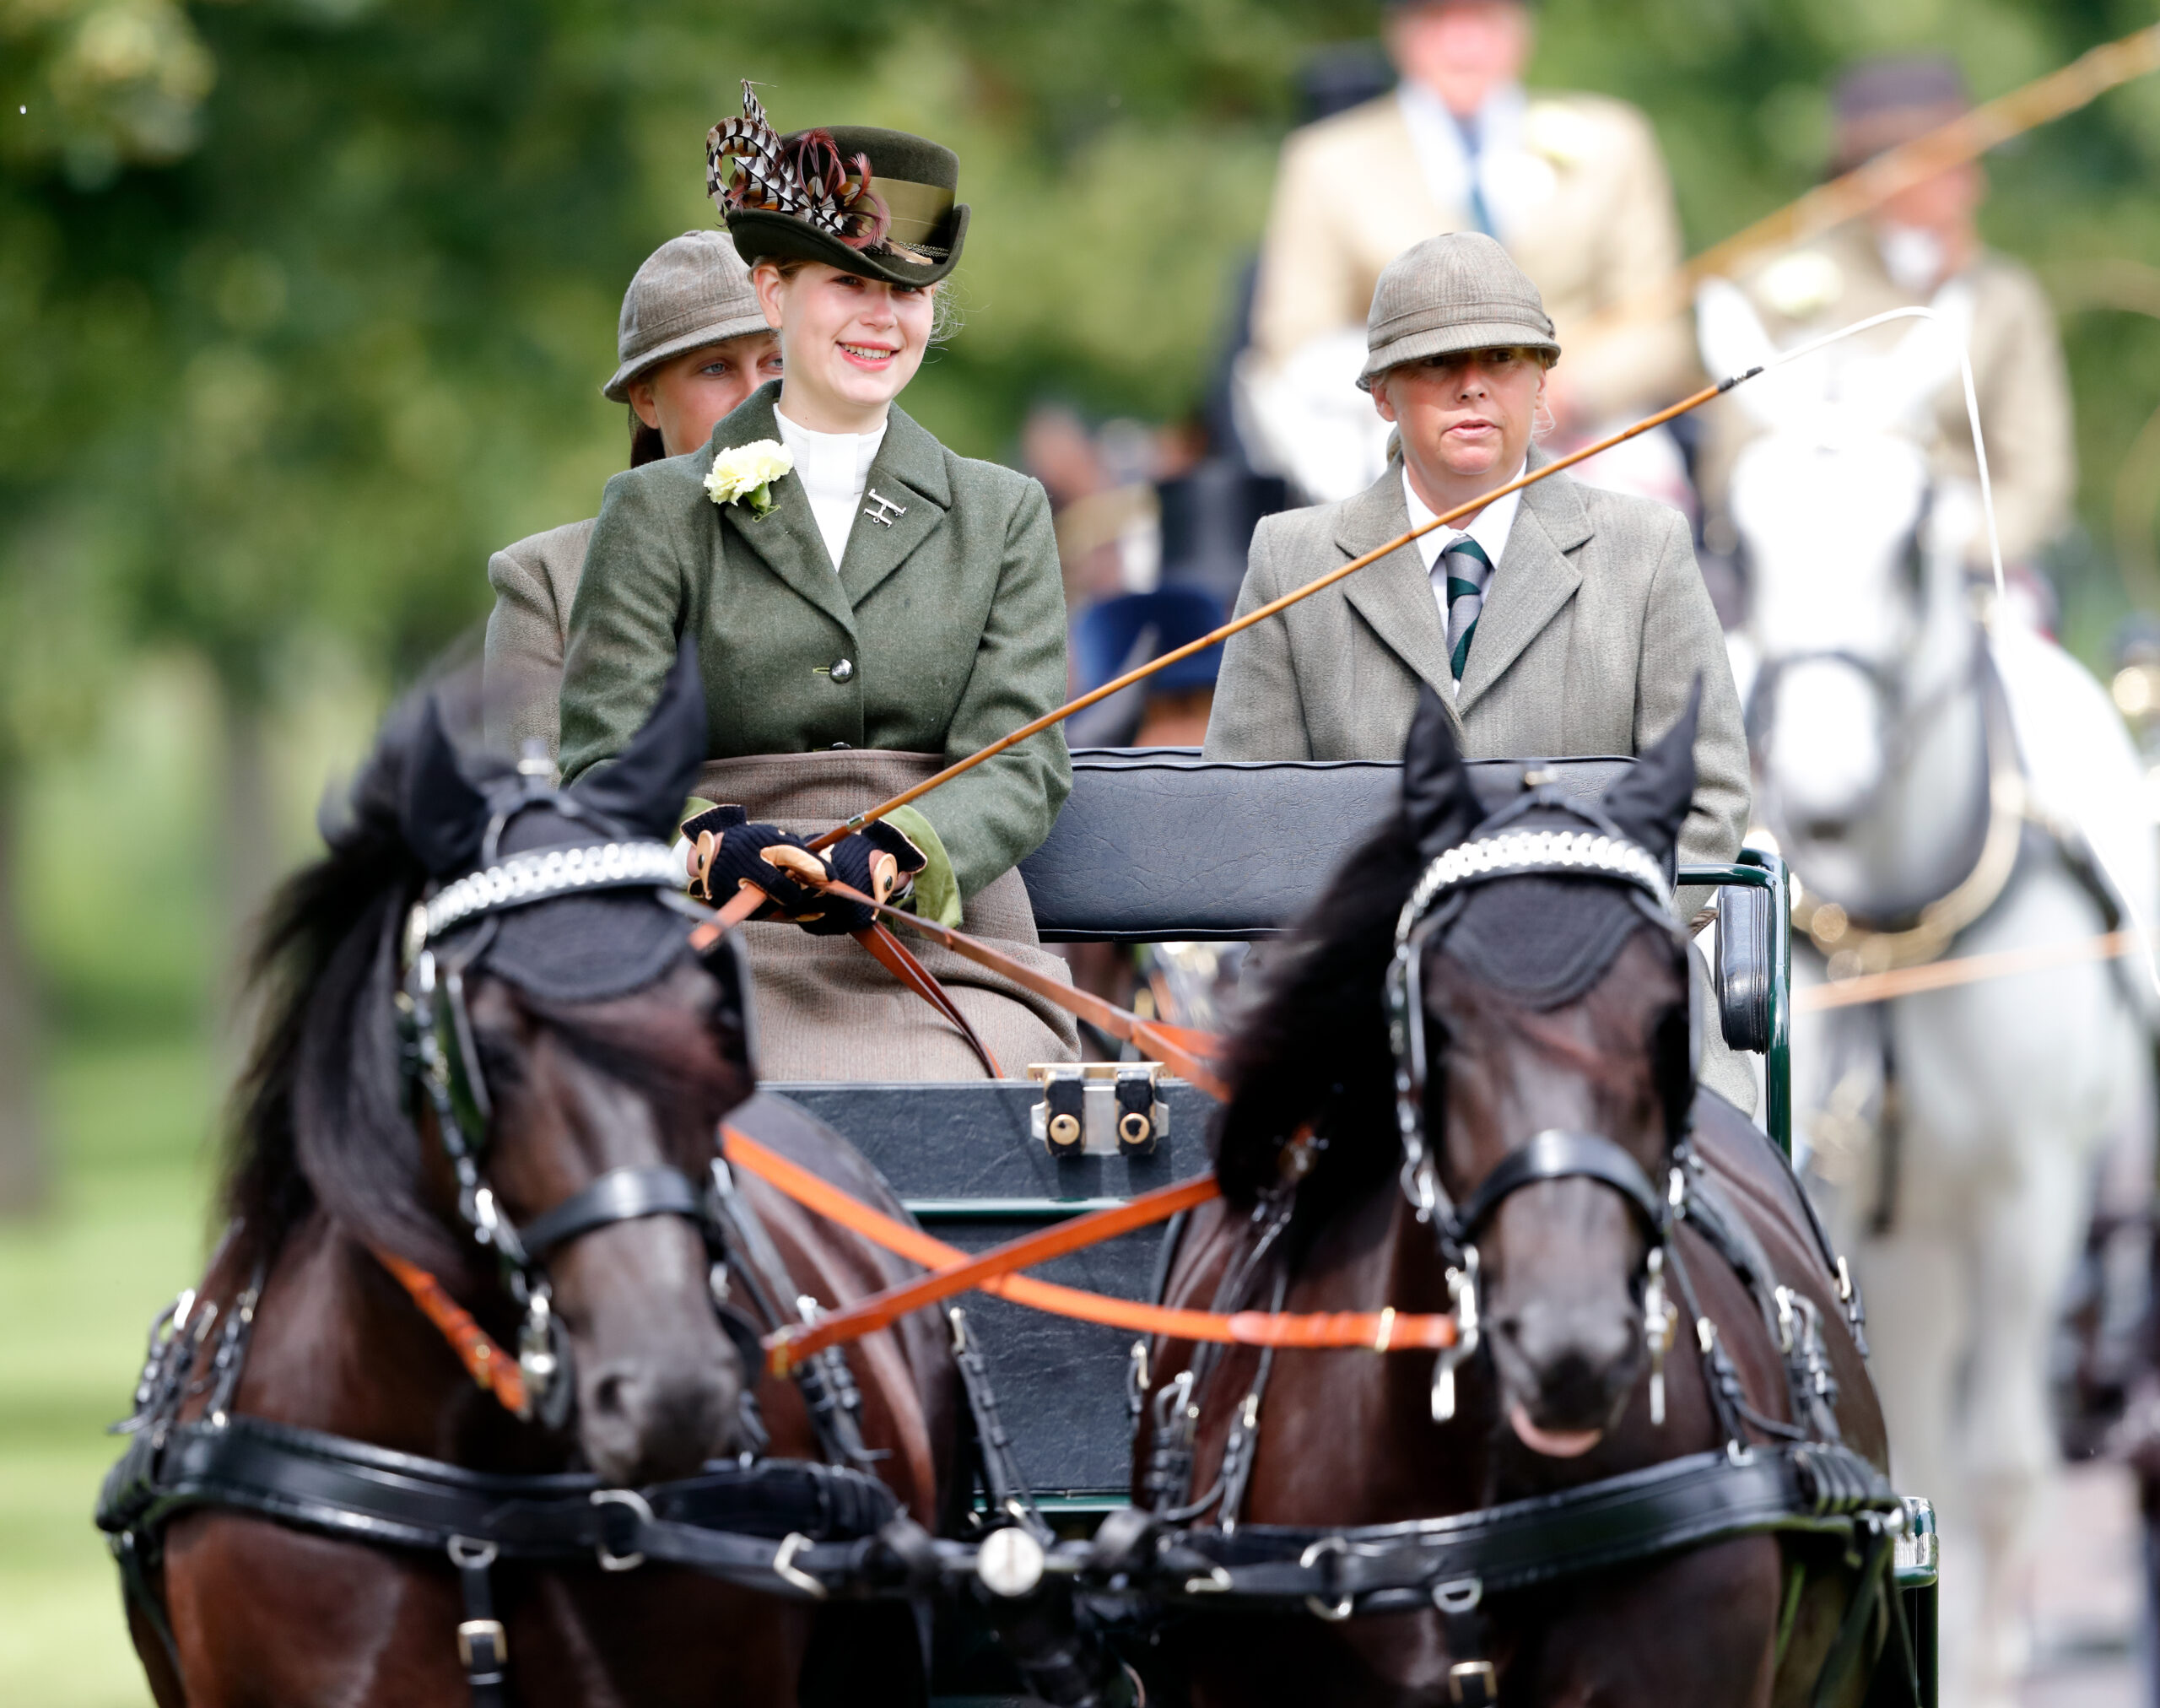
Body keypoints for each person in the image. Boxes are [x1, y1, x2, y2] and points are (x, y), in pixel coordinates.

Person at [557, 88, 1075, 1079]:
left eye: (908, 292)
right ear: (772, 293)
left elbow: (1021, 762)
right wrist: (713, 849)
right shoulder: (655, 511)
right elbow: (602, 762)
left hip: (941, 943)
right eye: (847, 282)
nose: (882, 319)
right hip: (716, 940)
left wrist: (898, 850)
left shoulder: (1001, 511)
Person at [1207, 235, 1758, 1116]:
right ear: (1382, 394)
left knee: (1737, 1199)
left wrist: (1580, 946)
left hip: (1608, 992)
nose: (1472, 386)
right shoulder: (1294, 559)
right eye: (1437, 362)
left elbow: (1710, 798)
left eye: (1501, 359)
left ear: (1541, 383)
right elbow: (1250, 817)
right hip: (1368, 1006)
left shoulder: (1644, 549)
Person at [1239, 0, 1697, 500]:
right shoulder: (1327, 162)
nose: (1462, 45)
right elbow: (1294, 340)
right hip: (1399, 439)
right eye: (1438, 21)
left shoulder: (1612, 142)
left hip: (1586, 431)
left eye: (1483, 19)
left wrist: (1566, 396)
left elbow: (1657, 326)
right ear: (1400, 34)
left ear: (1522, 29)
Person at [1702, 55, 2074, 584]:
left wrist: (1964, 548)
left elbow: (2037, 478)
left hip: (1958, 566)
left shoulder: (2005, 298)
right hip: (1794, 558)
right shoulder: (1776, 282)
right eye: (1953, 166)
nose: (1974, 188)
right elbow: (1732, 458)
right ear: (1882, 175)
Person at [483, 230, 782, 756]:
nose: (754, 396)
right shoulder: (548, 581)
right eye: (716, 367)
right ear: (646, 398)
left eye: (776, 362)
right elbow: (538, 809)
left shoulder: (887, 542)